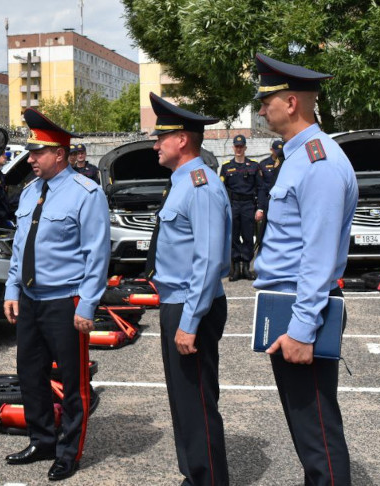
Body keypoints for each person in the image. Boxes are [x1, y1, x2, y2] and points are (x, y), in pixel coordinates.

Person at [252, 52, 357, 485]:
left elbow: (317, 255)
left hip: (302, 310)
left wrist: (301, 329)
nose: (261, 109)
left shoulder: (319, 162)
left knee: (316, 430)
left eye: (266, 100)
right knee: (306, 425)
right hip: (290, 305)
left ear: (291, 102)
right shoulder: (298, 156)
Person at [3, 109, 110, 481]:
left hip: (66, 301)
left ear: (60, 154)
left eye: (37, 153)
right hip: (31, 299)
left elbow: (97, 254)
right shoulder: (30, 193)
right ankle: (42, 440)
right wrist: (11, 288)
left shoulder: (87, 193)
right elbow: (20, 248)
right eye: (30, 152)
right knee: (30, 375)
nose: (29, 159)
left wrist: (89, 304)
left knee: (73, 381)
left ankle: (69, 451)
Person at [145, 92, 231, 486]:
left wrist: (190, 322)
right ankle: (195, 473)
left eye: (161, 137)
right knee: (183, 399)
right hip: (177, 303)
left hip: (190, 307)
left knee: (196, 400)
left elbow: (209, 260)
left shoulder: (200, 185)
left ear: (182, 140)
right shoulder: (181, 182)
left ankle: (209, 479)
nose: (155, 144)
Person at [219, 134, 265, 280]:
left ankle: (246, 267)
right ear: (233, 147)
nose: (239, 149)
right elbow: (221, 190)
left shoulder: (253, 166)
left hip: (248, 205)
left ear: (245, 147)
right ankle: (235, 268)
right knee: (233, 236)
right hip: (233, 205)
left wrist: (260, 208)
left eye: (241, 146)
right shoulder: (226, 167)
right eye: (236, 146)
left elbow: (261, 188)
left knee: (247, 236)